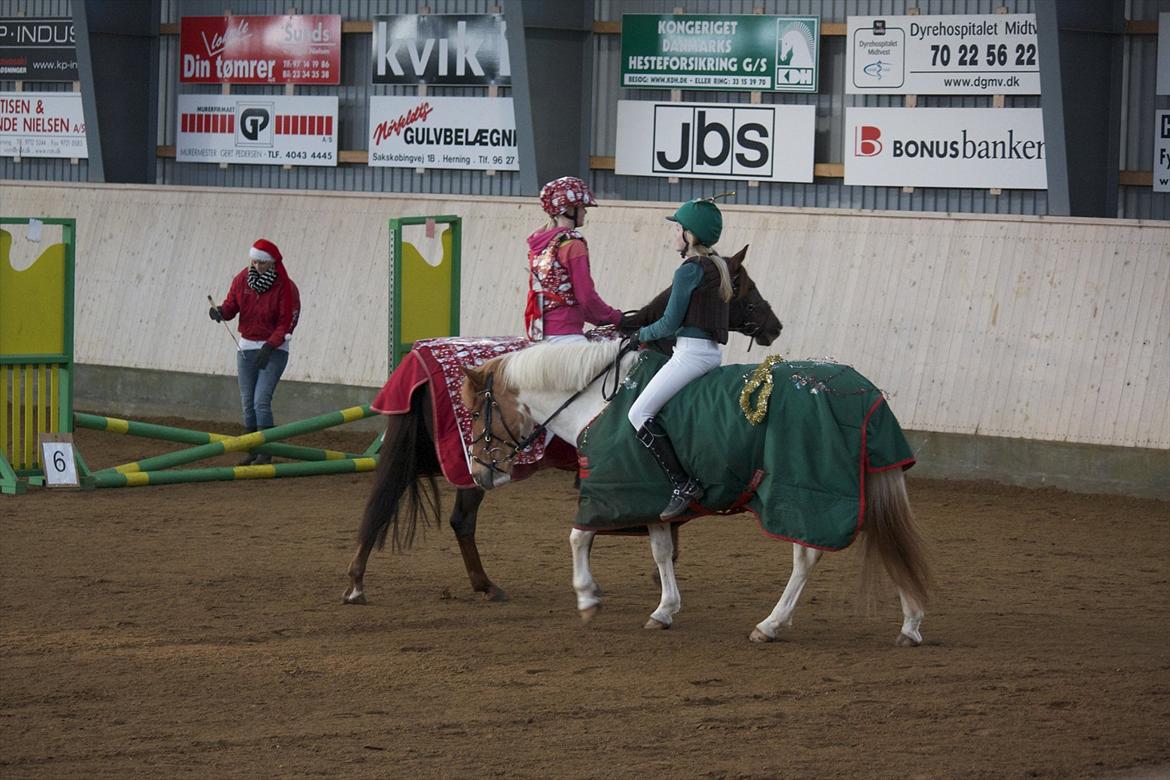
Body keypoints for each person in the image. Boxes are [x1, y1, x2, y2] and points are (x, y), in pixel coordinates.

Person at [628, 198, 732, 519]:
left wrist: (639, 335)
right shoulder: (719, 265)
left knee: (639, 413)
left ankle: (682, 483)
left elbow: (668, 324)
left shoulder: (688, 270)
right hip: (710, 354)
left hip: (690, 355)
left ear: (691, 235)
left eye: (677, 228)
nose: (673, 234)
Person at [209, 238, 301, 465]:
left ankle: (265, 451)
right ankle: (252, 449)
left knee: (261, 400)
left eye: (262, 263)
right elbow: (232, 305)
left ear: (271, 264)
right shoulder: (242, 279)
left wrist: (270, 345)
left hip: (274, 350)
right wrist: (220, 311)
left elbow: (286, 321)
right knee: (247, 401)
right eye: (254, 262)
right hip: (247, 347)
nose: (257, 266)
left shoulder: (286, 288)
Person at [524, 176, 623, 343]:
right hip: (566, 334)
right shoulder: (572, 244)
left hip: (539, 331)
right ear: (568, 209)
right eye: (582, 207)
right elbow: (586, 296)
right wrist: (617, 318)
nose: (585, 211)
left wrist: (601, 320)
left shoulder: (540, 245)